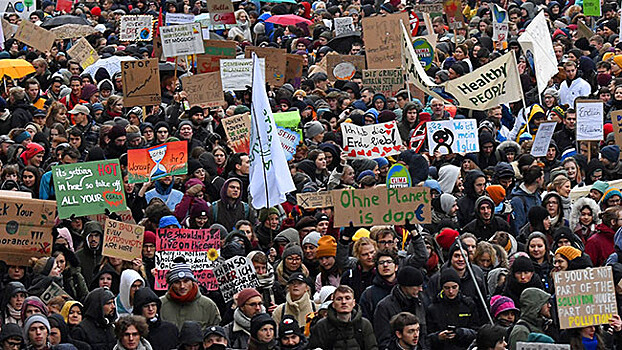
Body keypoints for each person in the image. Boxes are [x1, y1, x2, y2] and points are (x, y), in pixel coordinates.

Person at [308, 285, 378, 349]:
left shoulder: (364, 324)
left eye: (347, 298)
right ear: (333, 304)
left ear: (353, 303)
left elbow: (372, 348)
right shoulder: (322, 325)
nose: (344, 302)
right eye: (339, 299)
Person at [426, 268, 480, 350]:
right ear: (442, 288)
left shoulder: (468, 305)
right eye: (447, 288)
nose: (451, 291)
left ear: (459, 287)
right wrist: (438, 337)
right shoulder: (433, 308)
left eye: (454, 287)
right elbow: (427, 337)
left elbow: (476, 331)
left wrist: (460, 333)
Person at [374, 266, 426, 348]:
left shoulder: (420, 301)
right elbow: (383, 340)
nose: (421, 289)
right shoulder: (384, 307)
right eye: (417, 286)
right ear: (405, 286)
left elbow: (424, 334)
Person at [159, 262, 221, 330]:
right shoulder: (160, 305)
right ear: (171, 284)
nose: (182, 286)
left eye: (186, 281)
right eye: (177, 282)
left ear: (193, 282)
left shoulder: (208, 305)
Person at [360, 250, 399, 320]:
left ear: (396, 267)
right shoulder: (369, 294)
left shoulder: (404, 290)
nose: (385, 265)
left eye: (389, 262)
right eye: (381, 263)